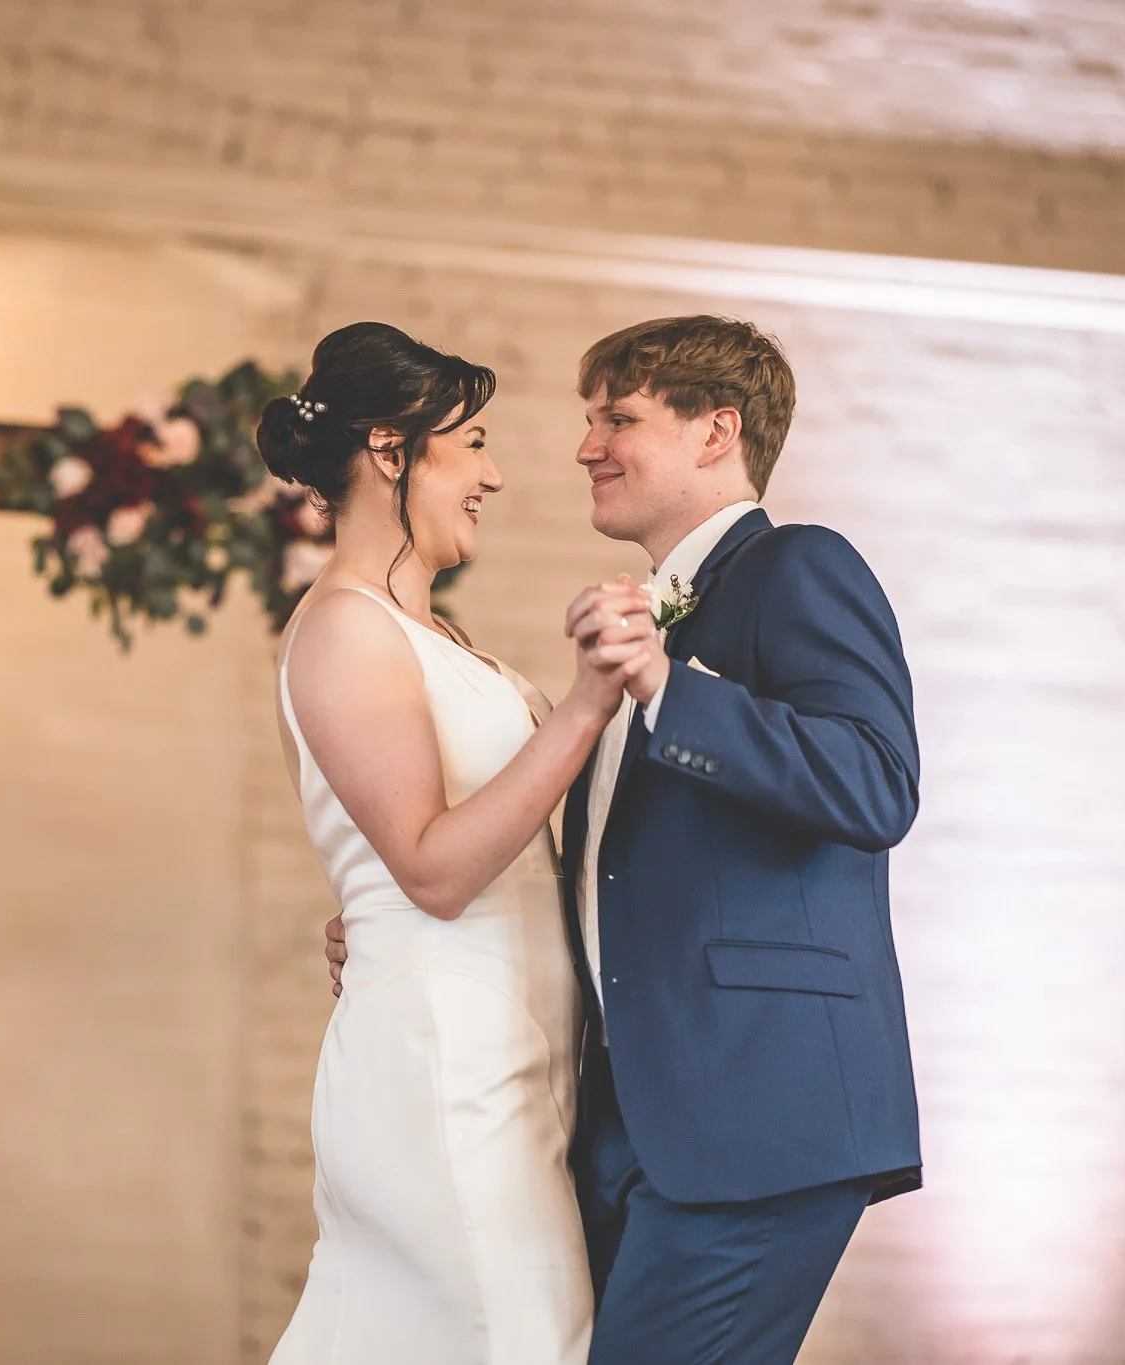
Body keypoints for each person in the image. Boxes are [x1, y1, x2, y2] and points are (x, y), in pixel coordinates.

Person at [324, 315, 924, 1364]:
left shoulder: (796, 568)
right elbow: (617, 874)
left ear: (713, 432)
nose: (582, 446)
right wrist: (411, 935)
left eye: (617, 418)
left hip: (754, 1113)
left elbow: (876, 782)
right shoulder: (655, 621)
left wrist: (663, 688)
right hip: (638, 1121)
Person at [260, 321, 657, 1364]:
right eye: (471, 442)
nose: (491, 474)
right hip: (441, 1069)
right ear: (391, 450)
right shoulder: (346, 627)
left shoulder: (429, 634)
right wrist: (583, 704)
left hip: (506, 1057)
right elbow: (431, 871)